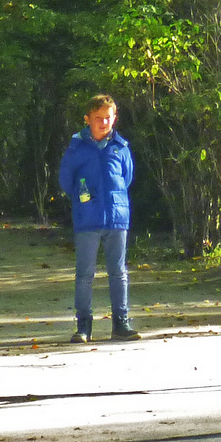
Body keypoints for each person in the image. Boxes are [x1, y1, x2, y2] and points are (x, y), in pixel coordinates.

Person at [58, 95, 141, 343]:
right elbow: (66, 181)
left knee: (118, 272)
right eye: (98, 118)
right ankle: (84, 325)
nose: (103, 122)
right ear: (87, 119)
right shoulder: (76, 148)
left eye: (108, 117)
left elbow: (127, 178)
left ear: (114, 118)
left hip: (117, 218)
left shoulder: (121, 147)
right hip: (87, 220)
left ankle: (121, 324)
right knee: (85, 274)